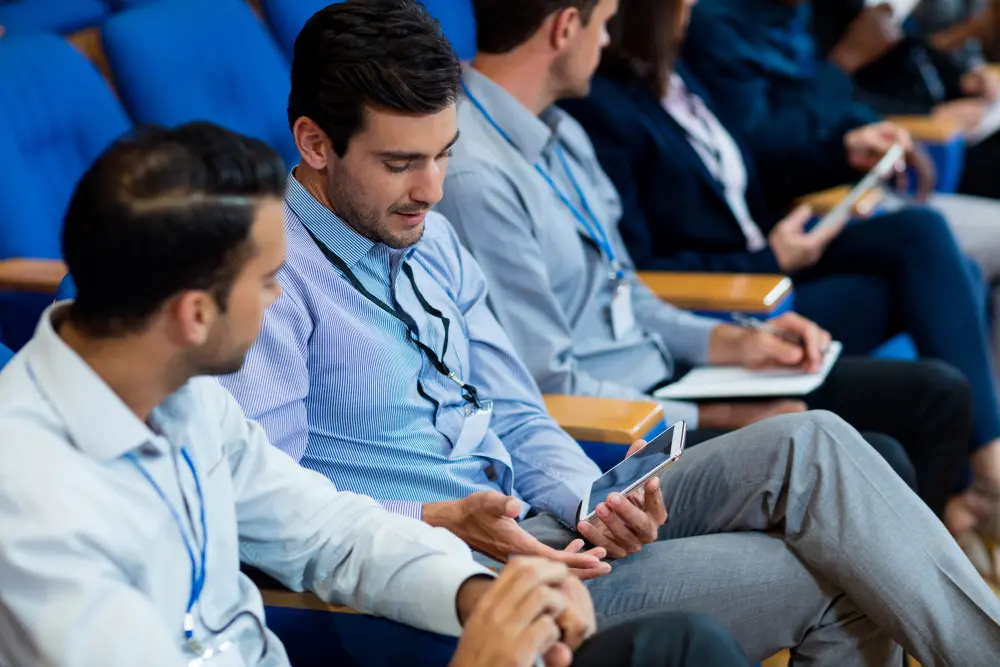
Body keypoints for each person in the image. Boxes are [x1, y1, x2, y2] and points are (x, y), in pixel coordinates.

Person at [220, 2, 1000, 665]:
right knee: (837, 572)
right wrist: (440, 521)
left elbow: (520, 410)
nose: (431, 190)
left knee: (816, 442)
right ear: (316, 144)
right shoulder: (268, 284)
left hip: (542, 519)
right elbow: (278, 510)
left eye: (443, 156)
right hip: (459, 578)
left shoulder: (429, 236)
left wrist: (589, 500)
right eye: (400, 164)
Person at [0, 122, 757, 667]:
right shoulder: (34, 508)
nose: (279, 300)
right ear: (193, 315)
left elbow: (330, 528)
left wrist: (473, 594)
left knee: (680, 643)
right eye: (267, 282)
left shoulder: (182, 394)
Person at [556, 0, 1000, 528]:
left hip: (768, 250)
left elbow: (752, 170)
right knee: (935, 291)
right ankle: (980, 483)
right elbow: (637, 269)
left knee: (922, 240)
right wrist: (767, 260)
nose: (695, 7)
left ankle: (978, 483)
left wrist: (842, 152)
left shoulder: (678, 75)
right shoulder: (603, 108)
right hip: (734, 286)